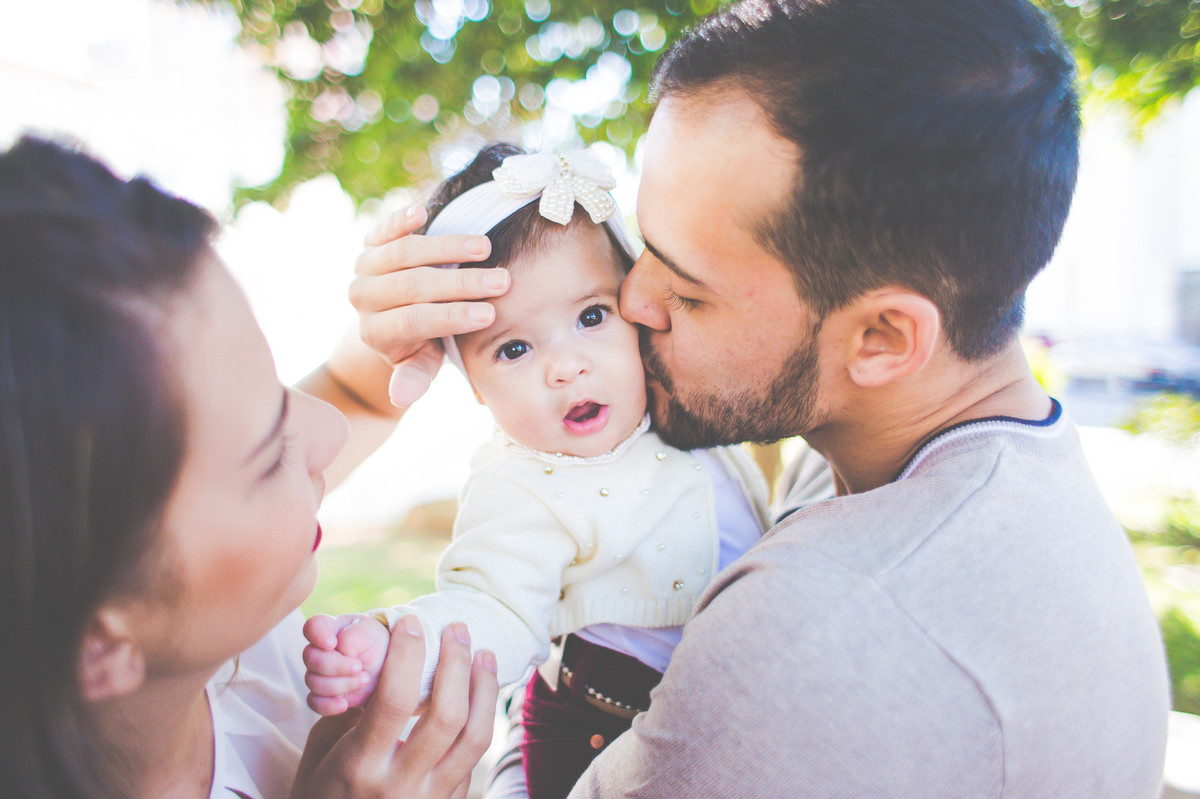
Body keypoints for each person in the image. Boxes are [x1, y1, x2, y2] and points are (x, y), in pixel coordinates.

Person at [346, 0, 1173, 796]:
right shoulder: (917, 463)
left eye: (690, 291)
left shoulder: (809, 630)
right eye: (643, 249)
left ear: (881, 338)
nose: (635, 303)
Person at [0, 135, 499, 799]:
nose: (330, 426)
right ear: (100, 645)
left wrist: (390, 332)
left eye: (282, 389)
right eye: (268, 458)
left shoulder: (222, 628)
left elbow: (349, 396)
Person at [302, 143, 769, 799]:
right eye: (515, 347)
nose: (566, 364)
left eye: (590, 316)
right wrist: (394, 644)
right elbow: (489, 605)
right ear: (474, 388)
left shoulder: (666, 395)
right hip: (595, 732)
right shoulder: (525, 485)